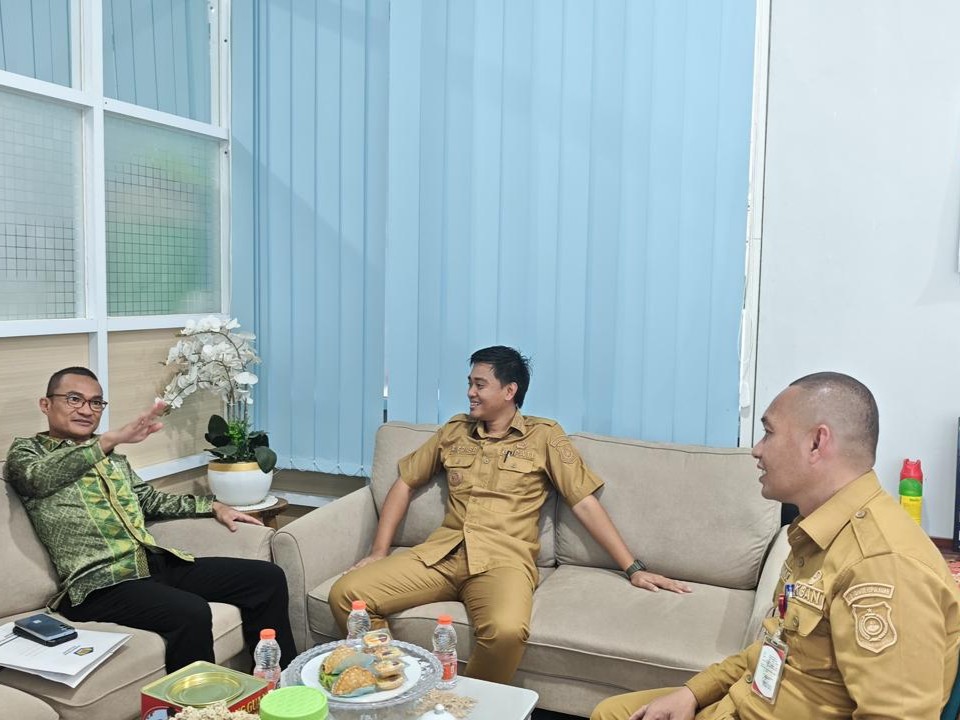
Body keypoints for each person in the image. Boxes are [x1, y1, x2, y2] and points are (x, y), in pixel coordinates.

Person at [591, 372, 960, 720]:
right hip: (746, 702)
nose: (756, 450)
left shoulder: (882, 564)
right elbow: (773, 646)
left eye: (768, 433)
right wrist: (693, 692)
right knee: (612, 712)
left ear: (816, 443)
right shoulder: (814, 535)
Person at [329, 346, 690, 684]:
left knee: (506, 631)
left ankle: (468, 706)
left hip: (503, 562)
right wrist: (379, 551)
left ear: (509, 391)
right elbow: (405, 483)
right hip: (442, 555)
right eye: (470, 383)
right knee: (347, 593)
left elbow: (583, 502)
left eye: (479, 384)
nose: (470, 392)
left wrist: (633, 568)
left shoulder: (544, 436)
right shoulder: (454, 431)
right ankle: (398, 683)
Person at [5, 366, 297, 673]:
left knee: (266, 578)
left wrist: (212, 506)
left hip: (149, 563)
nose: (87, 410)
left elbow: (149, 500)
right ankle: (196, 701)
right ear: (46, 404)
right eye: (74, 399)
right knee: (191, 611)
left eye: (96, 402)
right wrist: (108, 441)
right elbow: (36, 479)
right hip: (97, 585)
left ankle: (281, 684)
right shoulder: (27, 453)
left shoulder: (113, 459)